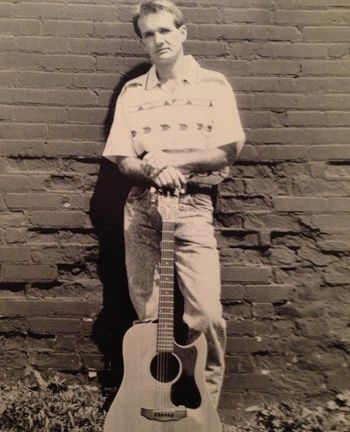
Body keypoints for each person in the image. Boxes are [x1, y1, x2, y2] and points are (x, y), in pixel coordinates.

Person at [102, 0, 245, 408]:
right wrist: (151, 171)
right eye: (149, 34)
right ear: (142, 43)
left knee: (205, 315)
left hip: (193, 206)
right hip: (143, 209)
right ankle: (151, 405)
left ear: (182, 33)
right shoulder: (132, 92)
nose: (158, 40)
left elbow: (225, 152)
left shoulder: (213, 84)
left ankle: (204, 413)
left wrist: (170, 164)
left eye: (165, 30)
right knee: (149, 320)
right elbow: (122, 157)